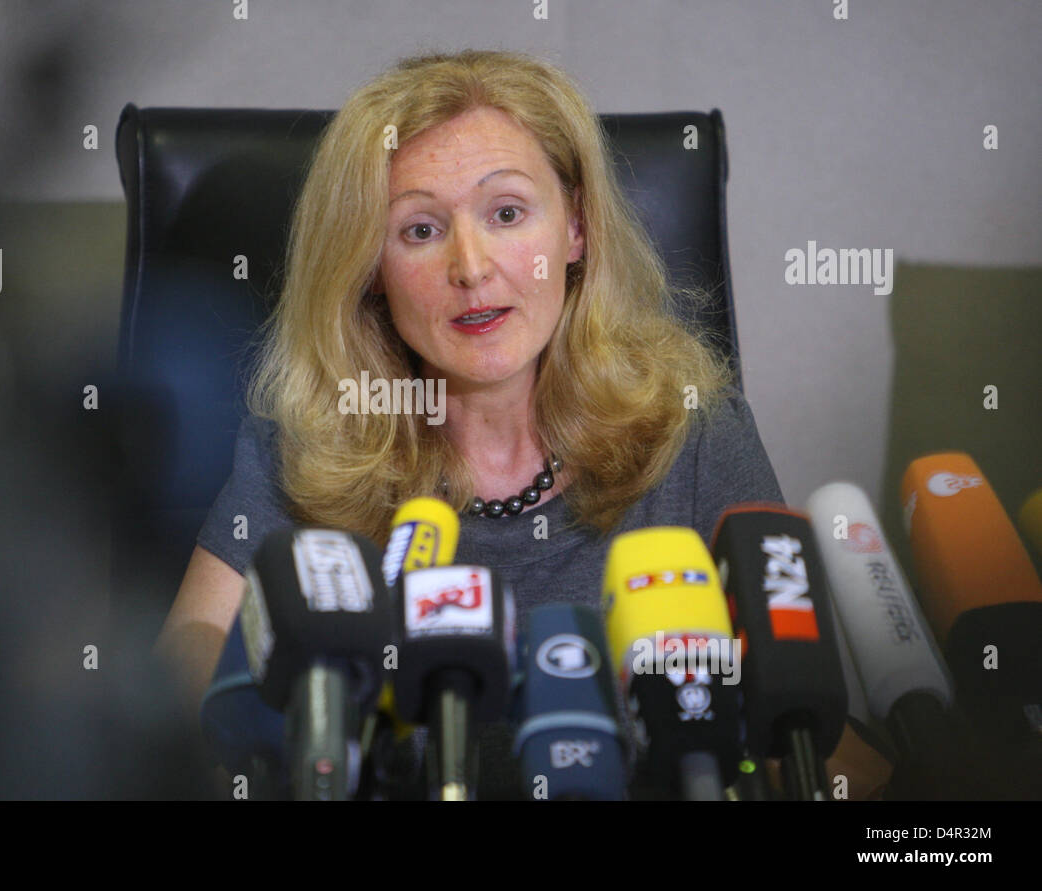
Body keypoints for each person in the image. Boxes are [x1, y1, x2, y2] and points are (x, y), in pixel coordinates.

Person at [155, 48, 891, 799]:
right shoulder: (312, 441)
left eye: (506, 213)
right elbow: (194, 646)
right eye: (419, 230)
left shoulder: (692, 425)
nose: (470, 267)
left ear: (575, 227)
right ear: (369, 265)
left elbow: (791, 710)